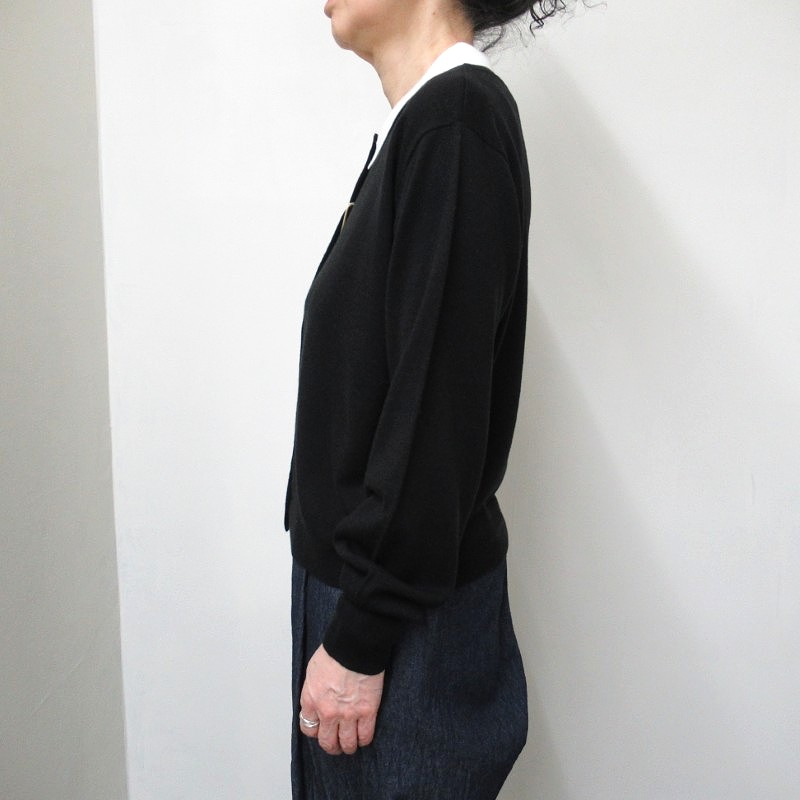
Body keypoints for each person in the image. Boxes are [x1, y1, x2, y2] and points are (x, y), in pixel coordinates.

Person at [284, 1, 567, 797]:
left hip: (399, 629)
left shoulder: (456, 124)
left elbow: (434, 417)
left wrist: (360, 637)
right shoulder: (424, 127)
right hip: (373, 604)